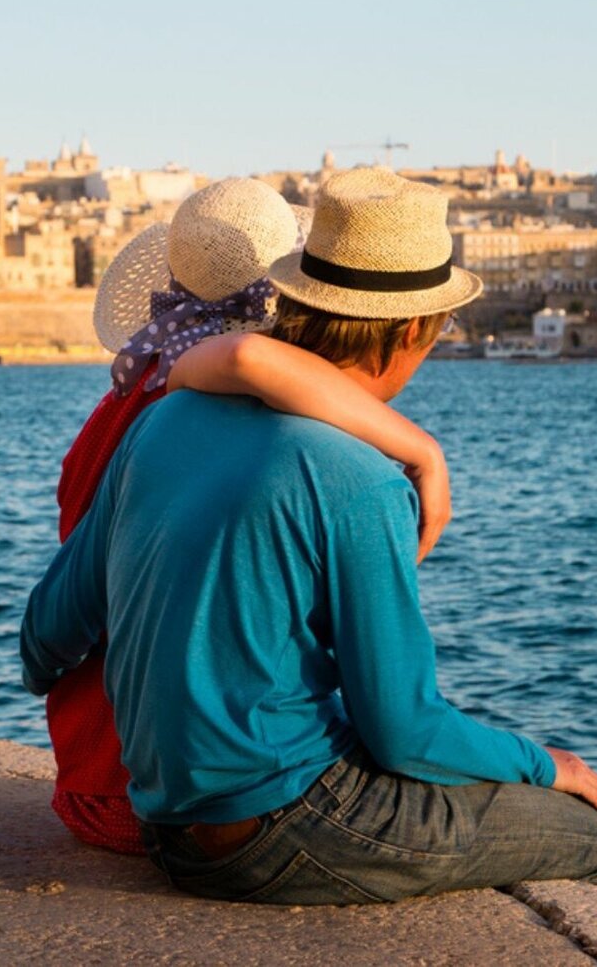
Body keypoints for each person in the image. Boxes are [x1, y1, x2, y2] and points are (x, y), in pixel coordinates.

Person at [23, 167, 597, 904]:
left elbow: (43, 638)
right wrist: (552, 764)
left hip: (160, 824)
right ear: (417, 329)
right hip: (281, 827)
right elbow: (404, 731)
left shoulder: (159, 420)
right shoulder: (361, 478)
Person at [48, 177, 456, 855]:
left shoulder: (121, 406)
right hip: (156, 796)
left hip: (86, 775)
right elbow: (246, 357)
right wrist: (419, 448)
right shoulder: (216, 424)